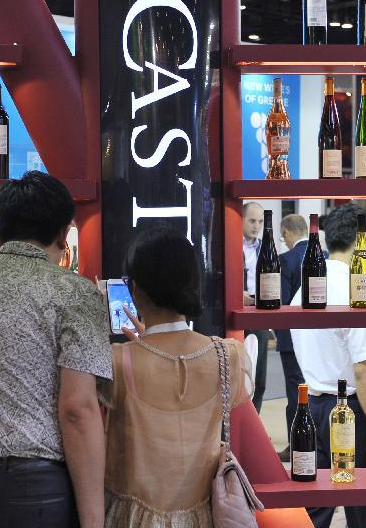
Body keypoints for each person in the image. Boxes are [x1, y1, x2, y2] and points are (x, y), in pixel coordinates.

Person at [0, 171, 112, 528]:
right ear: (63, 233)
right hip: (33, 492)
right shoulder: (75, 293)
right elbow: (77, 409)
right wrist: (93, 522)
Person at [100, 226, 253, 527]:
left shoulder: (116, 362)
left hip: (132, 518)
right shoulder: (229, 357)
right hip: (207, 515)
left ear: (134, 290)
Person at [289, 203, 366, 528]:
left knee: (315, 507)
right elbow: (363, 371)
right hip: (352, 413)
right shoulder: (354, 289)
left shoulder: (304, 289)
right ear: (364, 241)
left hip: (314, 409)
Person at [276, 213, 308, 460]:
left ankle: (296, 445)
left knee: (295, 393)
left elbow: (282, 304)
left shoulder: (286, 260)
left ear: (287, 232)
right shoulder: (325, 258)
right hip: (320, 337)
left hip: (292, 340)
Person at [241, 201, 269, 413]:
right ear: (241, 219)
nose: (256, 225)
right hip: (236, 315)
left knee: (259, 377)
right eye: (252, 220)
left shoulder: (265, 247)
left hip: (259, 314)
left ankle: (255, 426)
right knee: (239, 376)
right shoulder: (230, 246)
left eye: (260, 221)